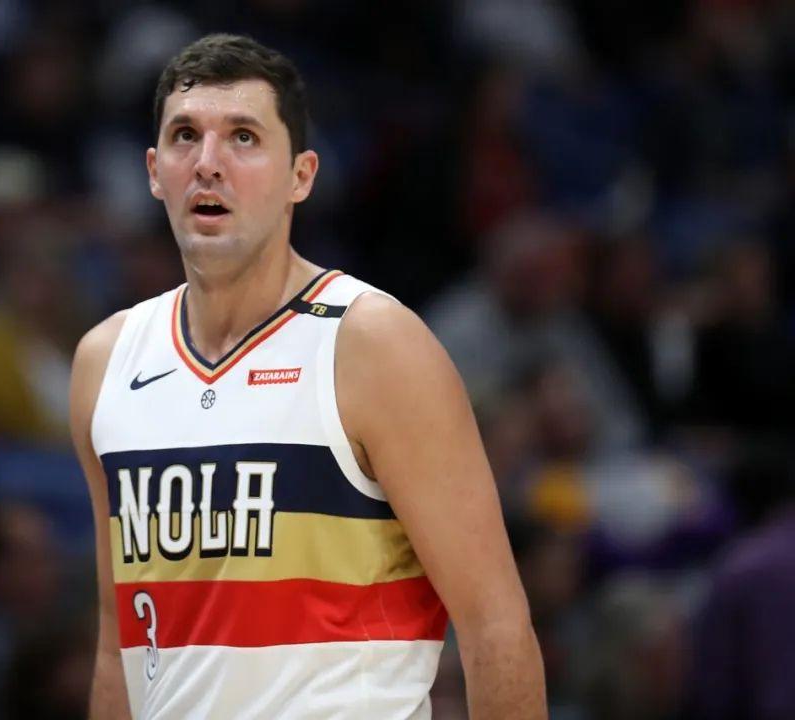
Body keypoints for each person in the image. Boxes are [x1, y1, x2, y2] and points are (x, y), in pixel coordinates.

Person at [68, 34, 545, 719]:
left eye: (243, 137)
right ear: (153, 171)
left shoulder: (373, 344)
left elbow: (495, 624)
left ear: (302, 175)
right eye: (185, 136)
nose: (208, 163)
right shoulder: (106, 362)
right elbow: (119, 648)